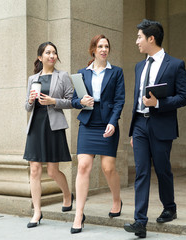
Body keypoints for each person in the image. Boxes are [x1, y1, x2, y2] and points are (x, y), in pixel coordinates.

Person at [123, 19, 186, 238]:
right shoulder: (139, 66)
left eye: (139, 37)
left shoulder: (175, 64)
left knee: (162, 169)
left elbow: (184, 97)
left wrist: (158, 104)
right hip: (140, 124)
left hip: (161, 124)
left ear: (151, 38)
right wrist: (133, 129)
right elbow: (135, 99)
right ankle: (139, 222)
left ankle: (169, 207)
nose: (136, 42)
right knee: (141, 171)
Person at [70, 34, 125, 234]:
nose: (104, 49)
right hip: (88, 123)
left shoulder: (116, 72)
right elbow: (74, 100)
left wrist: (113, 122)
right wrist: (81, 102)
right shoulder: (81, 73)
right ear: (93, 49)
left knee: (108, 168)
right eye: (100, 46)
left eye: (106, 46)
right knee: (83, 166)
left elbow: (119, 100)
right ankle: (79, 214)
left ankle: (117, 200)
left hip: (107, 123)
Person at [24, 42, 74, 228]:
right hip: (36, 126)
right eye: (48, 52)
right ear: (40, 57)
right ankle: (37, 212)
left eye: (54, 52)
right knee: (35, 169)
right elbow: (28, 107)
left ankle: (67, 194)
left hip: (53, 126)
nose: (52, 55)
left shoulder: (63, 76)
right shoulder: (32, 78)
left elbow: (71, 101)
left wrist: (54, 101)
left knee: (52, 171)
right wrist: (29, 101)